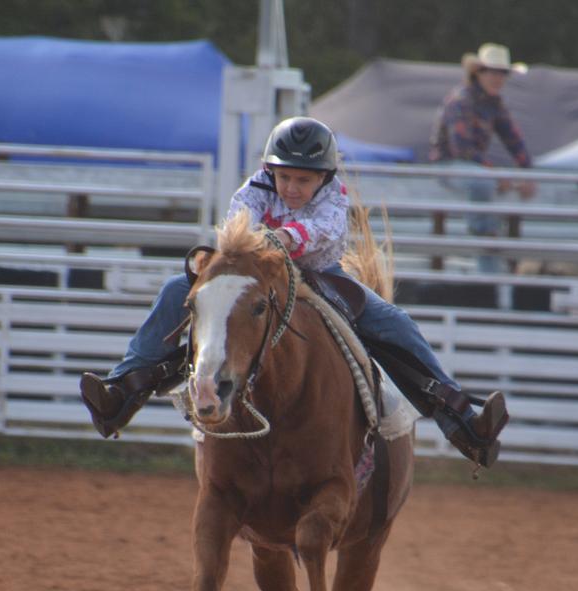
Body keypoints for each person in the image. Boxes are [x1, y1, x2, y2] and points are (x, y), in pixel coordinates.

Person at [80, 117, 508, 468]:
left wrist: (284, 236)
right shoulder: (257, 186)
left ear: (324, 178)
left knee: (393, 322)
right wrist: (257, 244)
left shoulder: (334, 197)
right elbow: (239, 221)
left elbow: (325, 230)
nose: (291, 188)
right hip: (255, 274)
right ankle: (121, 392)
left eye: (303, 180)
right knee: (179, 293)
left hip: (321, 274)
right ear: (272, 171)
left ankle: (463, 423)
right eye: (284, 177)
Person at [429, 42, 536, 273]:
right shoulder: (462, 100)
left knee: (482, 180)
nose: (498, 78)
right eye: (492, 72)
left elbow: (514, 139)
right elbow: (461, 149)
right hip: (448, 165)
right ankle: (485, 234)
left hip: (472, 167)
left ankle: (488, 237)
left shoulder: (494, 104)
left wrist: (527, 172)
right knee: (481, 181)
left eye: (503, 73)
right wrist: (496, 174)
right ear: (478, 73)